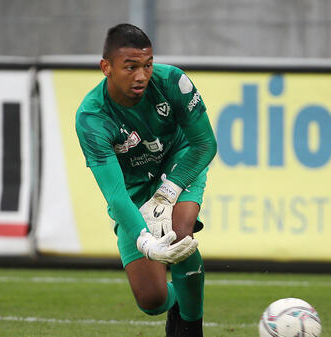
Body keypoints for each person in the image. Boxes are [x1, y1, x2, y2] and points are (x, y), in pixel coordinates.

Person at [75, 23, 217, 337]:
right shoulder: (92, 118)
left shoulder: (173, 82)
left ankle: (191, 328)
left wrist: (169, 191)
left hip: (179, 162)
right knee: (152, 301)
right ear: (106, 67)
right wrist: (145, 241)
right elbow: (114, 194)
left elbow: (205, 144)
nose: (142, 75)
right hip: (133, 187)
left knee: (180, 233)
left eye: (147, 65)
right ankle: (179, 298)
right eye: (131, 67)